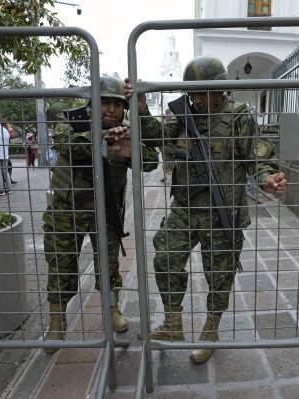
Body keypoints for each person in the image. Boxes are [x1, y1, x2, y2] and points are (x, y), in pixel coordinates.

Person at [110, 56, 288, 364]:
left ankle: (210, 331)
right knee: (164, 256)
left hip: (223, 214)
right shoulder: (182, 114)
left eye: (206, 92)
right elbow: (155, 134)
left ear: (219, 89)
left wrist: (266, 178)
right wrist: (139, 109)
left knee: (219, 275)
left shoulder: (239, 118)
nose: (200, 99)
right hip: (185, 208)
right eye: (195, 93)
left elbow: (257, 156)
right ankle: (173, 324)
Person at [42, 76, 160, 354]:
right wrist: (102, 139)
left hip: (106, 213)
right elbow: (68, 144)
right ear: (92, 104)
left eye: (117, 105)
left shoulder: (127, 131)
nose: (110, 110)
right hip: (65, 212)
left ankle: (113, 309)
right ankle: (57, 322)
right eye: (104, 103)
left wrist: (130, 149)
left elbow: (152, 161)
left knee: (107, 267)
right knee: (61, 266)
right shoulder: (71, 123)